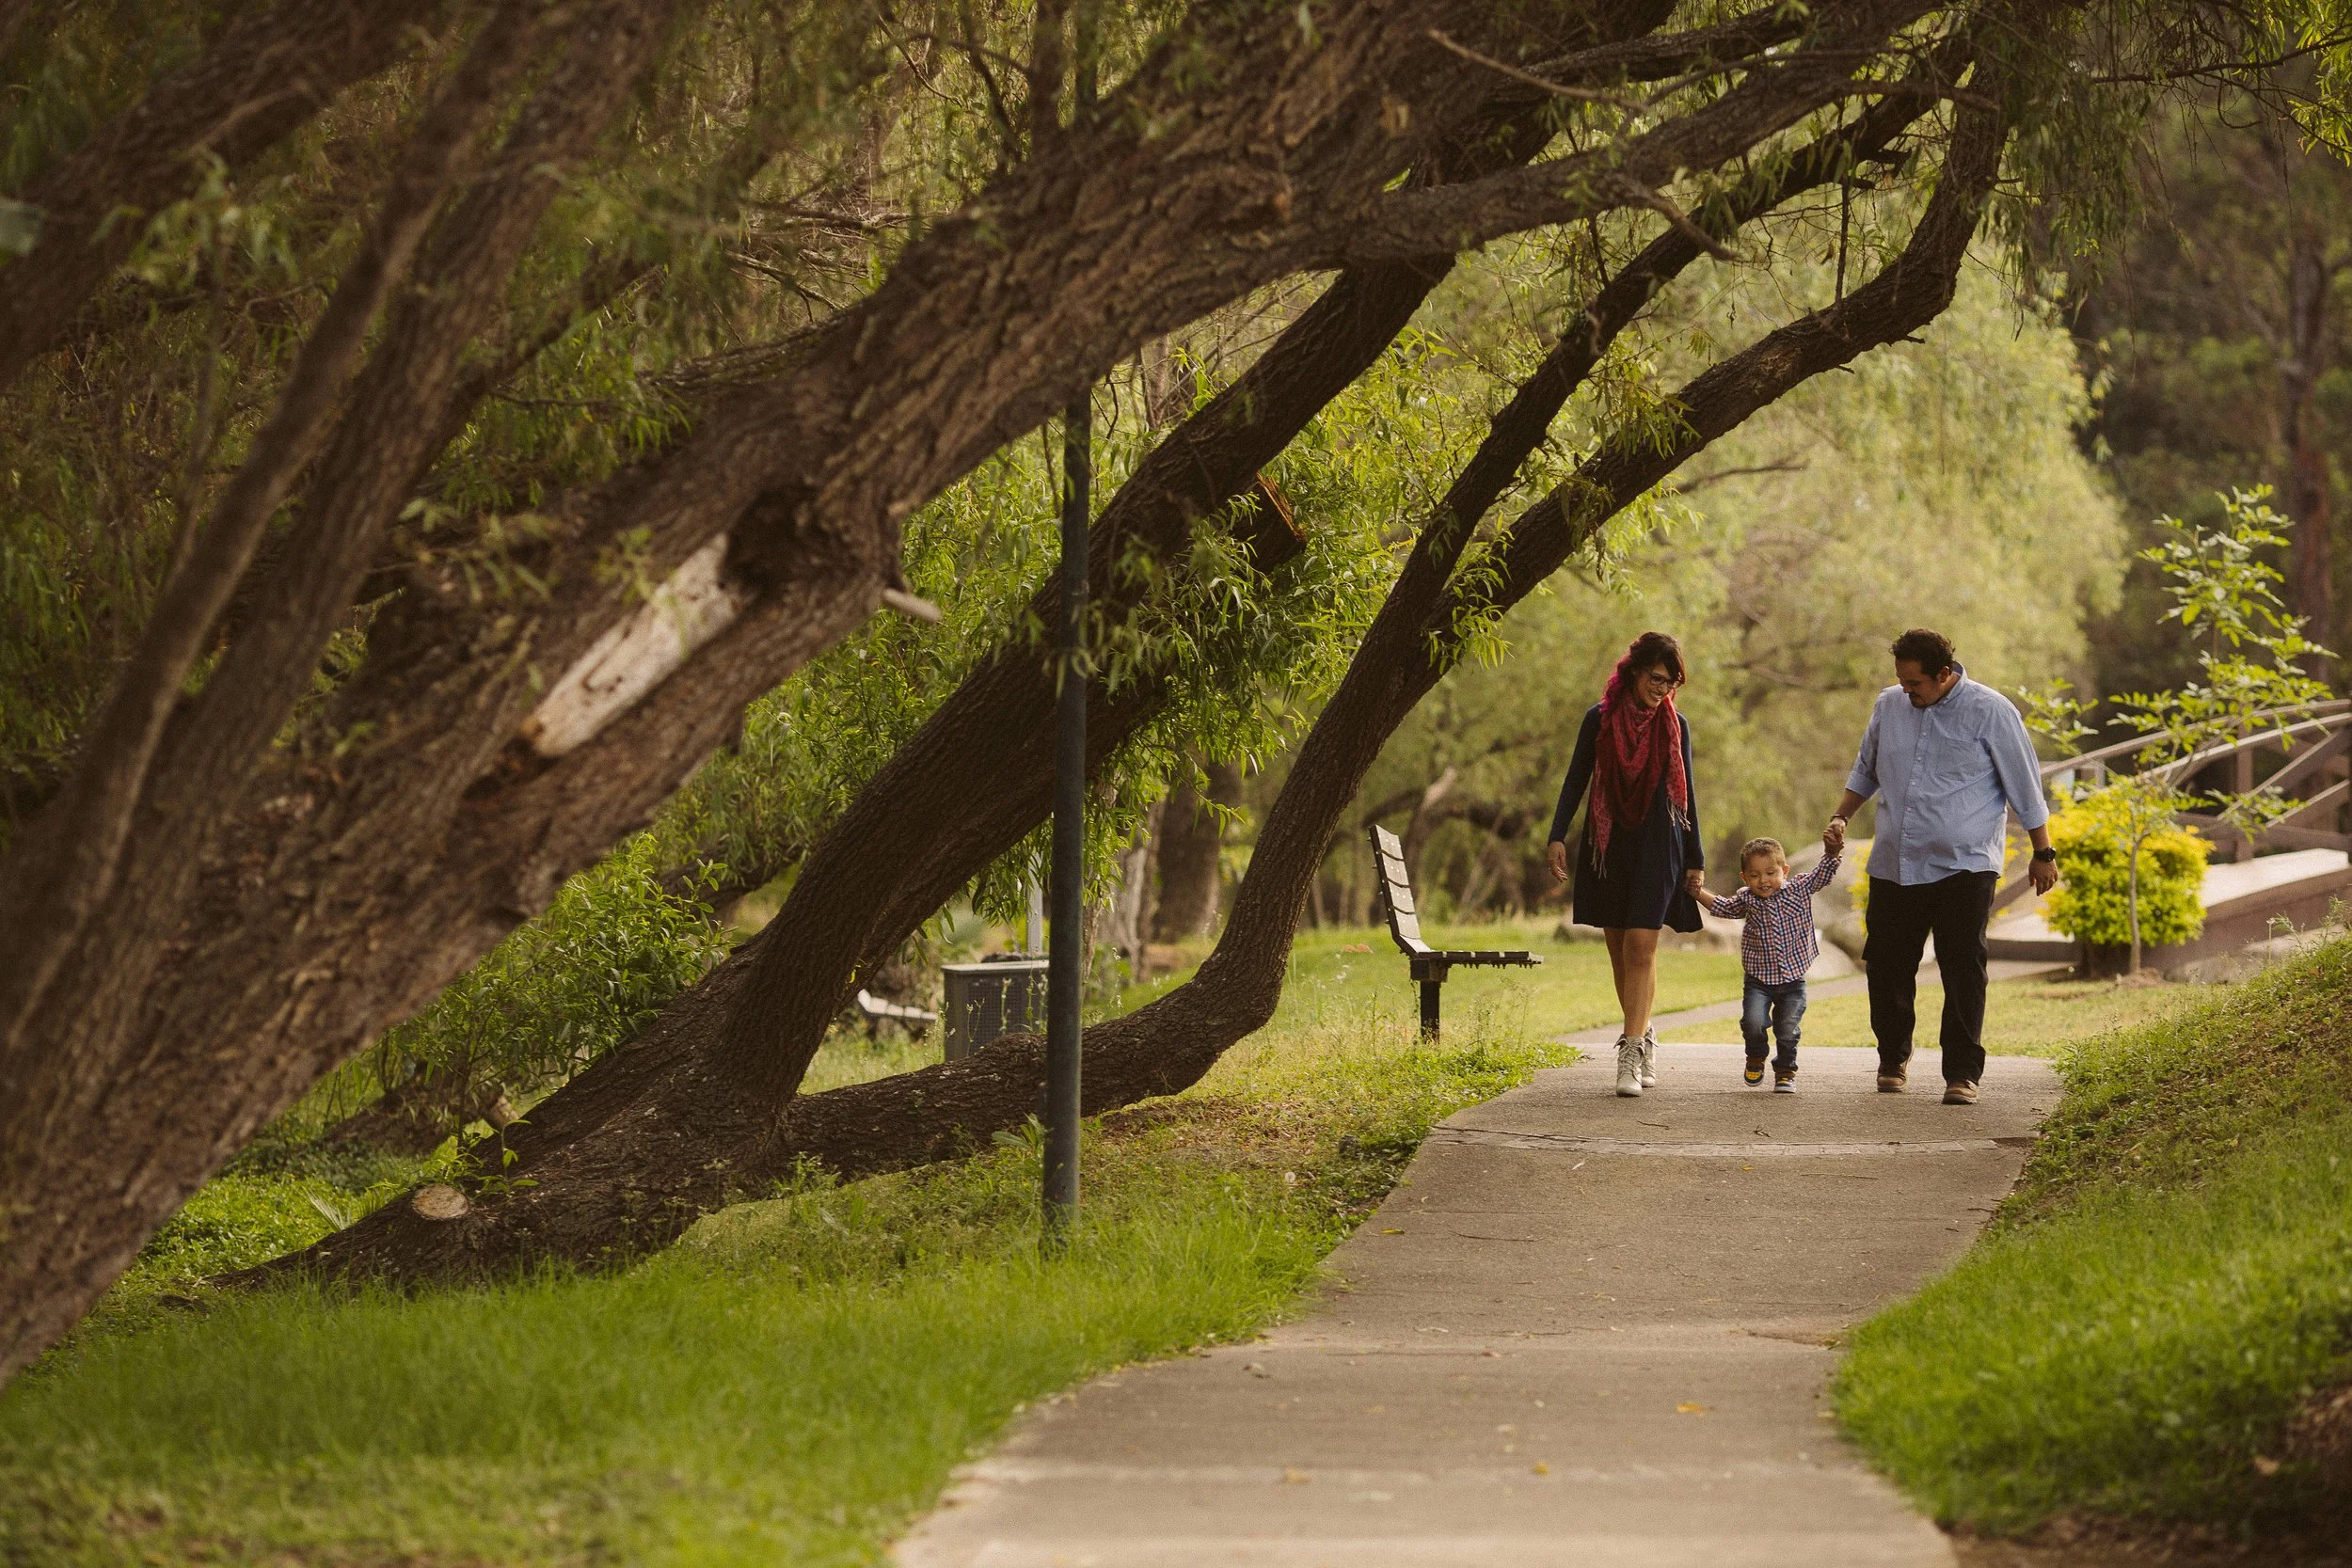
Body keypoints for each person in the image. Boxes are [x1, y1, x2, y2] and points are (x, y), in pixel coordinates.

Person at [1826, 628, 2058, 1105]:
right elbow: (1865, 770)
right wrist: (1840, 816)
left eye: (1915, 684)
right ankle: (1893, 1057)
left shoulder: (1991, 711)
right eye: (1902, 682)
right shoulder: (1889, 706)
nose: (1906, 691)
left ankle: (1962, 1073)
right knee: (1887, 964)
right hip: (1896, 860)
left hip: (1965, 864)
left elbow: (2025, 787)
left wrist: (2043, 852)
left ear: (1944, 675)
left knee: (1961, 967)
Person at [1547, 632, 1707, 1099]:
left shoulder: (1676, 725)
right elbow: (1577, 778)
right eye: (1657, 678)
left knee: (1641, 947)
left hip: (1661, 843)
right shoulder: (1598, 721)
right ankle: (1645, 1030)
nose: (1664, 689)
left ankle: (1630, 1051)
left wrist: (1694, 858)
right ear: (1635, 671)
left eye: (1672, 681)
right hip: (1609, 842)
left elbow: (1688, 793)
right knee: (1619, 951)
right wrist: (1557, 833)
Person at [1700, 830, 1845, 1093]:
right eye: (1754, 876)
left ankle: (1786, 1070)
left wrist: (1832, 851)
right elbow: (1721, 907)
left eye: (1770, 873)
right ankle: (1756, 1056)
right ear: (1745, 877)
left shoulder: (1799, 888)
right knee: (1753, 1022)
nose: (1763, 881)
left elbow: (1823, 874)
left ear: (1784, 871)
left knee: (1788, 1028)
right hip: (1758, 979)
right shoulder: (1747, 898)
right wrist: (1696, 891)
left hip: (1793, 979)